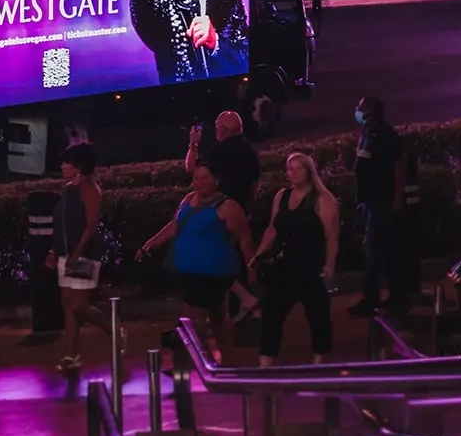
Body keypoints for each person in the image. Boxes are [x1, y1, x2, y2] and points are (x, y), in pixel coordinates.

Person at [137, 160, 254, 363]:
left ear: (216, 180)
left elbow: (245, 239)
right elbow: (174, 226)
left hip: (213, 271)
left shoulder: (228, 206)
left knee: (195, 317)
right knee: (217, 315)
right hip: (187, 270)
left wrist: (251, 268)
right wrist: (152, 243)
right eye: (196, 178)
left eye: (204, 178)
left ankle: (200, 361)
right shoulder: (188, 199)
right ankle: (225, 360)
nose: (199, 182)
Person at [251, 153, 340, 365]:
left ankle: (319, 361)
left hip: (311, 267)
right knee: (271, 315)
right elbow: (273, 229)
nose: (294, 173)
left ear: (309, 171)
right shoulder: (282, 196)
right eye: (290, 169)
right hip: (284, 267)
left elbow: (332, 236)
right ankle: (265, 364)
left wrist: (330, 265)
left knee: (318, 318)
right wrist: (259, 254)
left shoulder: (322, 199)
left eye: (299, 168)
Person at [186, 110, 262, 318]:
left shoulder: (219, 152)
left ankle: (242, 302)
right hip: (242, 210)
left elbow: (192, 168)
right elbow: (256, 183)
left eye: (218, 127)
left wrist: (193, 144)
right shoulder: (250, 151)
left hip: (220, 213)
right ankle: (245, 306)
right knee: (238, 257)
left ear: (222, 130)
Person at [46, 142, 113, 374]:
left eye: (67, 163)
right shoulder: (68, 189)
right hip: (65, 254)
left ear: (79, 166)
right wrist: (54, 251)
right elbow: (61, 224)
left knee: (79, 305)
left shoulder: (90, 190)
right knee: (68, 306)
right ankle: (72, 353)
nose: (62, 166)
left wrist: (77, 254)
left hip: (85, 256)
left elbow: (91, 226)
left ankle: (114, 331)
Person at [350, 96, 409, 317]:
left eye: (360, 108)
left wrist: (396, 198)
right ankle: (396, 295)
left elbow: (399, 165)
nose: (357, 111)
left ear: (369, 112)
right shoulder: (368, 132)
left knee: (375, 249)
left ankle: (373, 297)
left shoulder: (385, 135)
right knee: (380, 249)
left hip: (382, 202)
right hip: (371, 202)